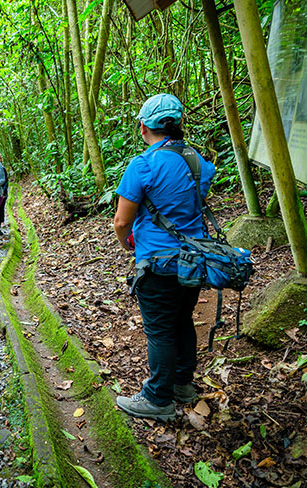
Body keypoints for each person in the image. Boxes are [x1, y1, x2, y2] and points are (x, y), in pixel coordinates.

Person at [113, 93, 215, 421]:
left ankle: (158, 399)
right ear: (178, 125)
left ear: (143, 128)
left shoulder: (142, 165)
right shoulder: (197, 161)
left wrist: (127, 243)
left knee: (159, 330)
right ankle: (183, 386)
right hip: (193, 260)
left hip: (158, 263)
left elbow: (121, 221)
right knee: (183, 321)